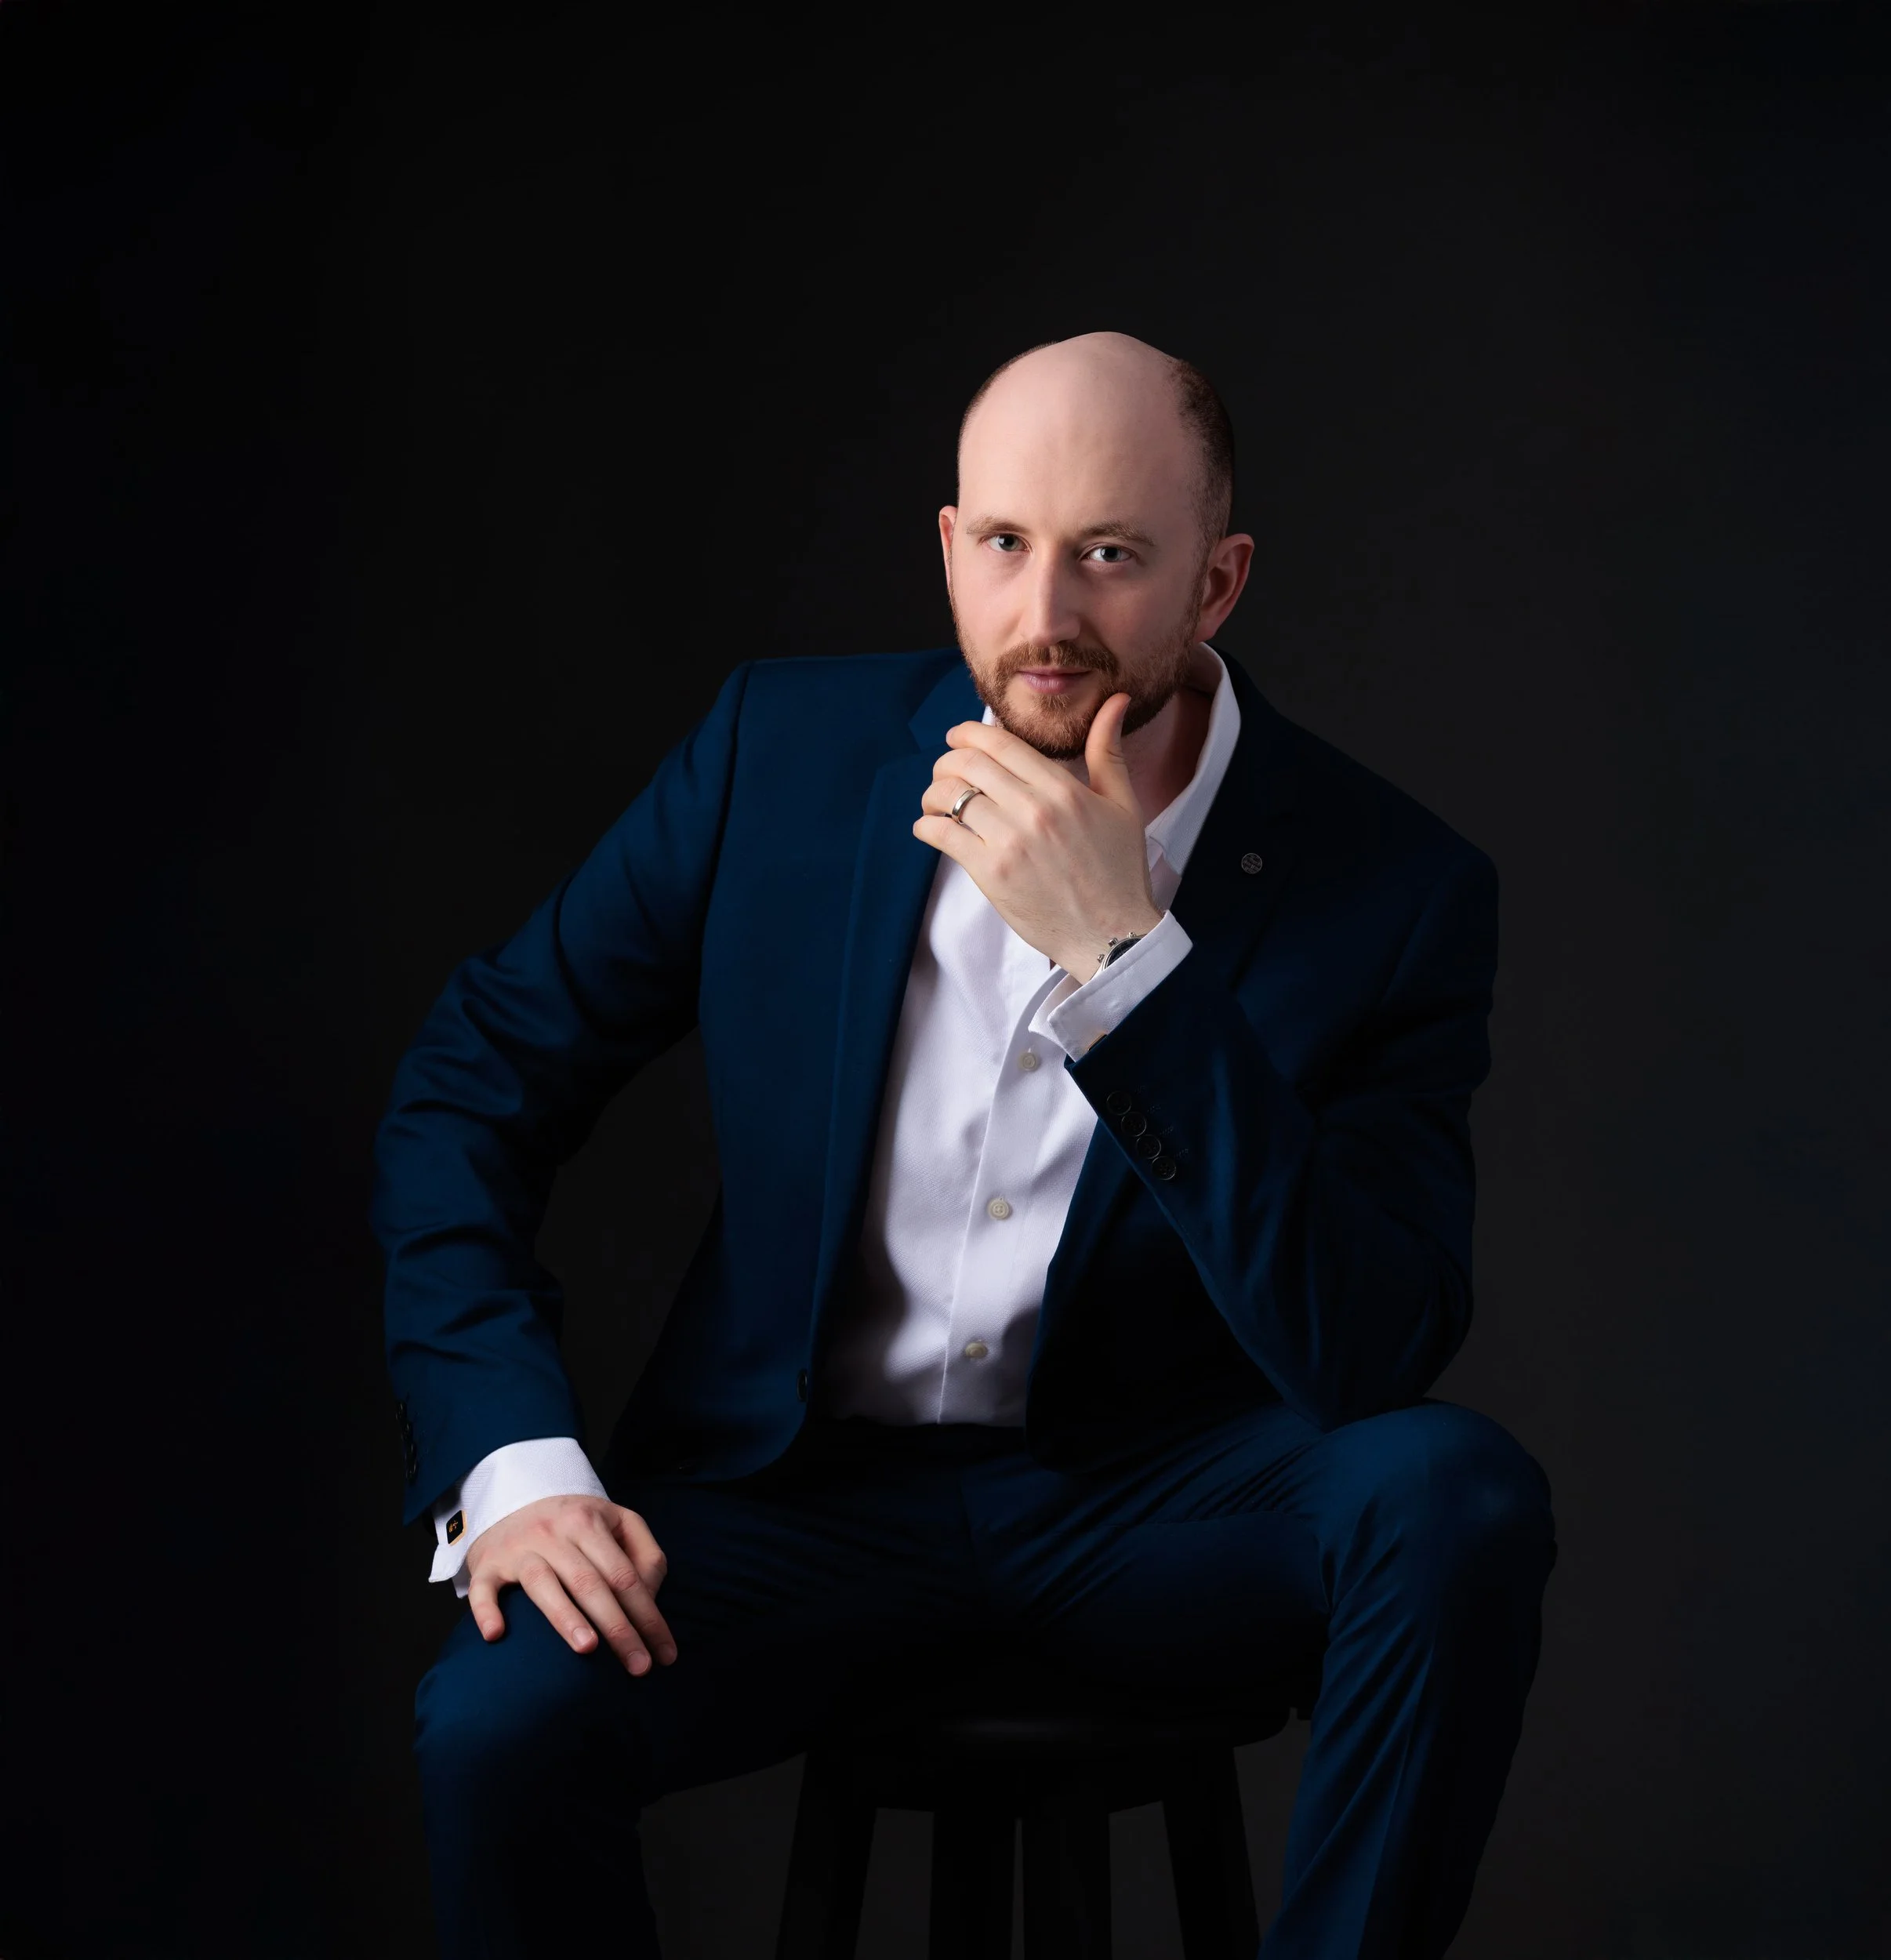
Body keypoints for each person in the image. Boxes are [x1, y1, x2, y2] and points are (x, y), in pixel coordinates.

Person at [373, 330, 1556, 1958]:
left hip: (1151, 1509)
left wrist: (1128, 969)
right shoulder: (771, 759)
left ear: (1215, 584)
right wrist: (513, 1466)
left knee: (1454, 1492)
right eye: (1003, 545)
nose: (1044, 616)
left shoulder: (1394, 887)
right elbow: (474, 1074)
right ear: (947, 545)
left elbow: (1367, 1345)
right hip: (795, 1507)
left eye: (1110, 556)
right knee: (497, 1717)